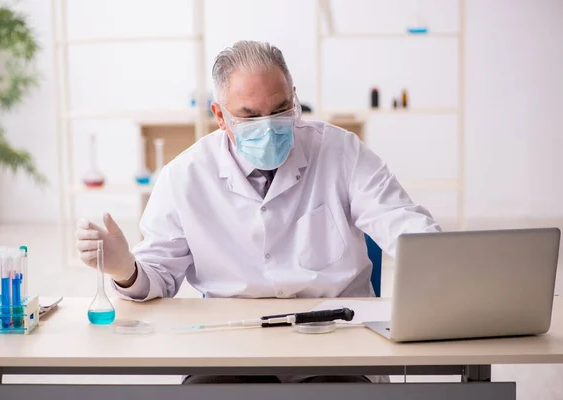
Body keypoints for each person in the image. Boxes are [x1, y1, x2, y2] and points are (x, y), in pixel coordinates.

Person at [76, 40, 441, 384]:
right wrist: (125, 270)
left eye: (280, 110)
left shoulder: (341, 151)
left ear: (294, 98)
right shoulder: (185, 176)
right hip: (234, 343)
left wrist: (448, 266)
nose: (268, 127)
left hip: (336, 339)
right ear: (220, 116)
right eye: (249, 116)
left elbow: (401, 221)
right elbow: (158, 277)